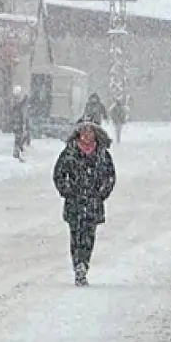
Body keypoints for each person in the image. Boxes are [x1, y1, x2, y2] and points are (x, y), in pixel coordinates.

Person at [52, 119, 117, 286]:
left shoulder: (102, 153)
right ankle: (78, 265)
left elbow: (110, 176)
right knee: (76, 236)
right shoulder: (70, 152)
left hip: (93, 202)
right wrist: (67, 190)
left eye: (91, 131)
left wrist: (102, 193)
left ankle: (84, 264)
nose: (87, 135)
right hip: (74, 202)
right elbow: (58, 174)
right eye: (84, 131)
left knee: (88, 236)